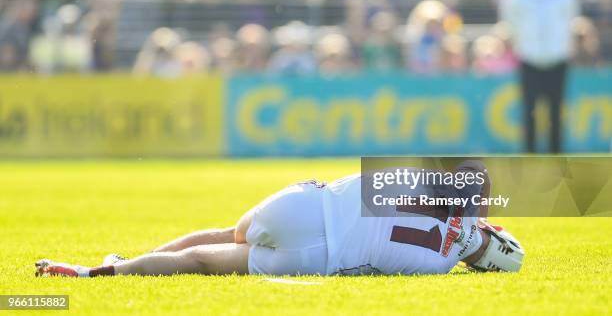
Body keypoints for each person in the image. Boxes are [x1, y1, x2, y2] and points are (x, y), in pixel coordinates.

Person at [35, 160, 524, 277]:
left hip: (309, 207)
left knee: (231, 230)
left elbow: (474, 172)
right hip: (321, 256)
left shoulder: (431, 186)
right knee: (209, 262)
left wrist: (477, 215)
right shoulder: (439, 267)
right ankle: (104, 272)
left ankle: (121, 261)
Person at [499, 0, 578, 153]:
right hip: (529, 58)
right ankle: (530, 156)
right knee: (530, 111)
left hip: (558, 59)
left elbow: (570, 18)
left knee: (556, 111)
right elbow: (510, 21)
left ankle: (556, 156)